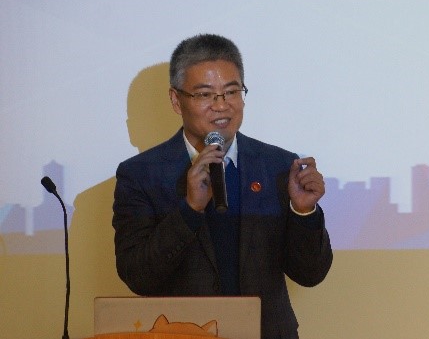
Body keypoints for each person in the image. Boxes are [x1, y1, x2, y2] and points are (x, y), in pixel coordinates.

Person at [113, 34, 333, 339]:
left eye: (231, 92)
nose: (221, 106)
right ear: (176, 100)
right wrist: (190, 210)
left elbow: (310, 274)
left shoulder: (279, 166)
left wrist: (303, 212)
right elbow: (139, 277)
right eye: (205, 94)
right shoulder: (141, 175)